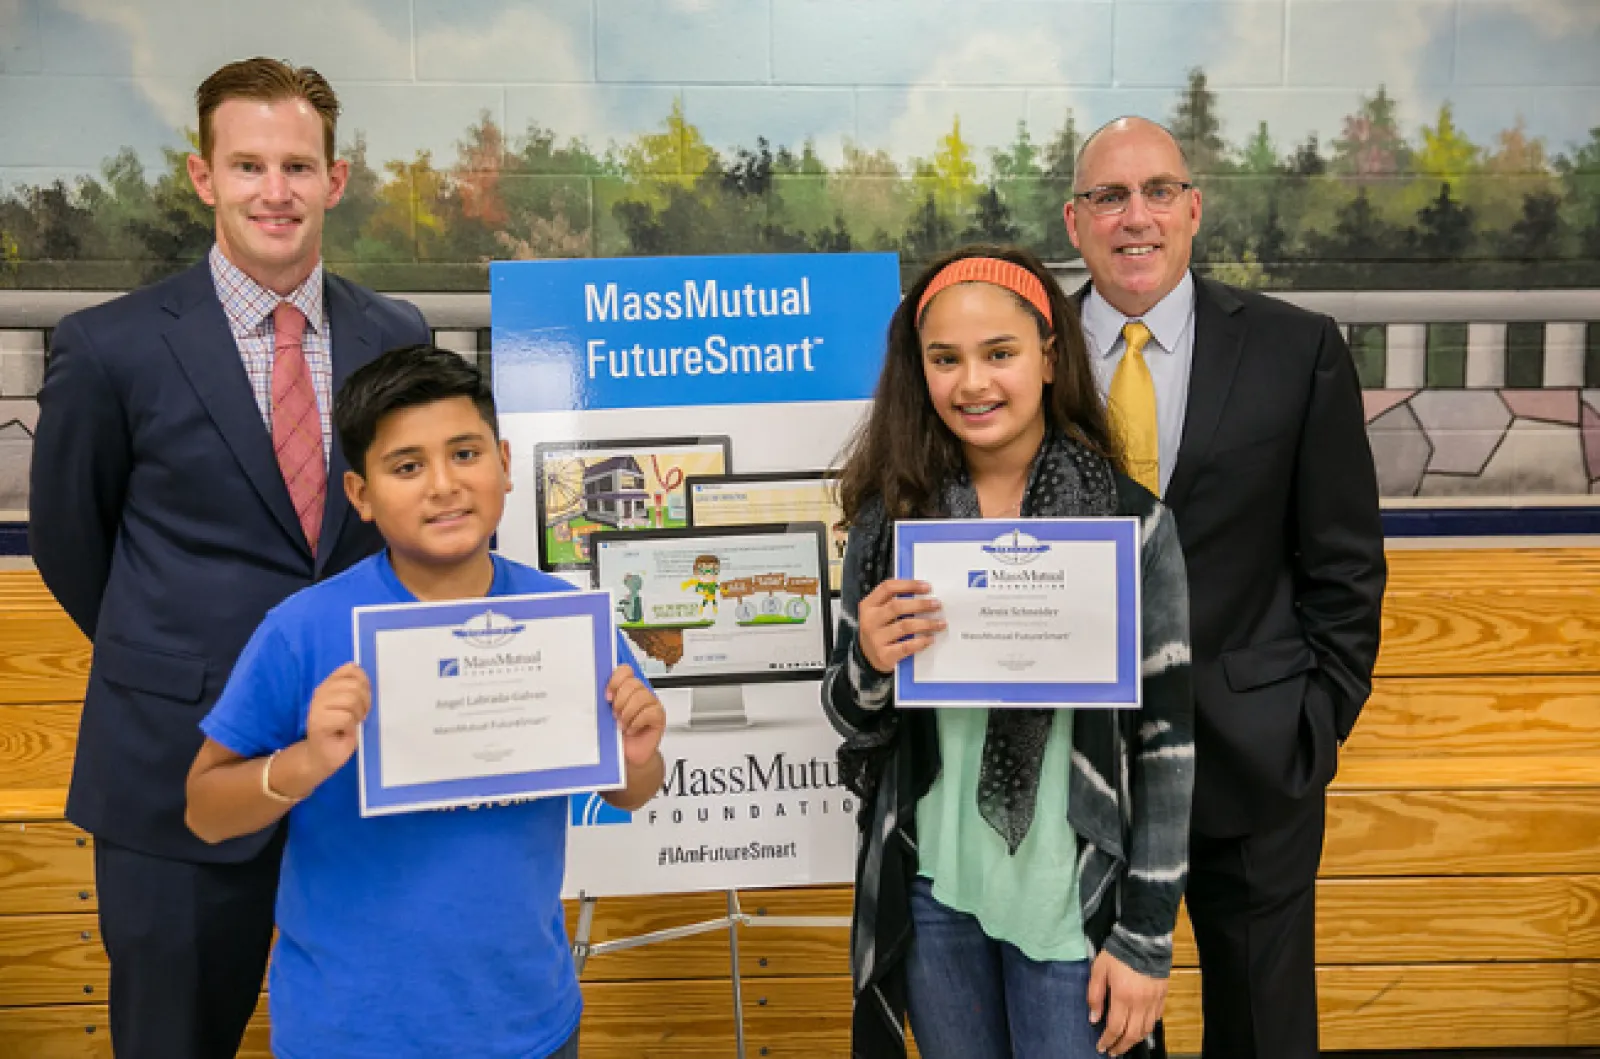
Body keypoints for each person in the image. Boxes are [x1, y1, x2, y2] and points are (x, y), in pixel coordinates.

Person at [25, 57, 431, 1058]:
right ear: (204, 177)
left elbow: (414, 527)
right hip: (175, 770)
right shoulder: (109, 347)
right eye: (247, 166)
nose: (275, 192)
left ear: (336, 180)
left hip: (364, 773)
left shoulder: (396, 337)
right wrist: (188, 665)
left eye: (298, 166)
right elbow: (72, 543)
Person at [184, 344, 668, 1058]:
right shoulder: (303, 629)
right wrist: (305, 762)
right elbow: (204, 811)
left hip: (530, 1025)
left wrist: (636, 757)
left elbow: (632, 790)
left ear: (504, 462)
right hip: (350, 1033)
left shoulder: (565, 619)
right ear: (361, 494)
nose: (444, 485)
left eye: (465, 453)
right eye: (407, 466)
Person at [1063, 117, 1387, 1059]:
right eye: (1110, 197)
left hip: (1253, 760)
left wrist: (1313, 720)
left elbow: (1345, 562)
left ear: (1193, 209)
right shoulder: (1026, 353)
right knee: (1103, 1033)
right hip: (1082, 771)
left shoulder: (1297, 349)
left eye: (1158, 191)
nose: (1137, 216)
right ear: (1075, 220)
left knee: (1264, 1031)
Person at [824, 245, 1194, 1059]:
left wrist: (1146, 934)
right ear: (917, 370)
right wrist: (871, 662)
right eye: (945, 359)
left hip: (1071, 896)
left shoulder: (1131, 528)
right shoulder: (892, 524)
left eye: (1000, 353)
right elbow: (847, 711)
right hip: (934, 888)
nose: (973, 383)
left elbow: (1166, 745)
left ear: (1049, 356)